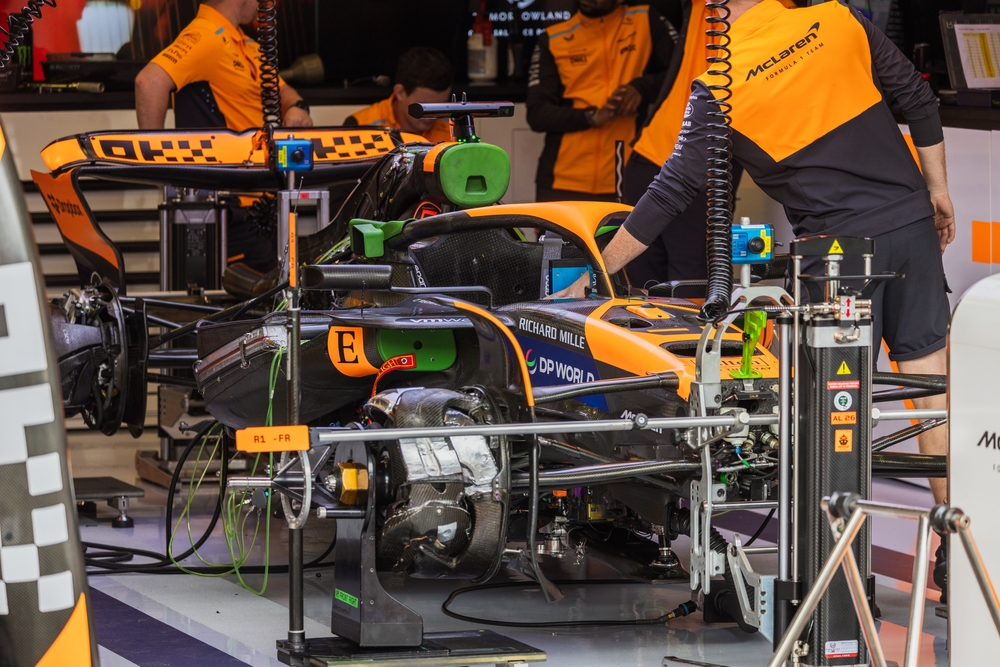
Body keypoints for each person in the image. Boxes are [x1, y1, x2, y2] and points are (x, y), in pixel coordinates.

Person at [553, 0, 954, 594]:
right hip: (912, 228)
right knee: (931, 389)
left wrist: (597, 272)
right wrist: (938, 192)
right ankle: (953, 548)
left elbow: (672, 191)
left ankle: (832, 573)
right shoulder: (840, 20)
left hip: (837, 256)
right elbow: (918, 100)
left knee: (828, 415)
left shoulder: (720, 82)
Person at [622, 0, 743, 289]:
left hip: (706, 170)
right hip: (650, 154)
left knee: (690, 289)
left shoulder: (782, 13)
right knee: (639, 290)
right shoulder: (704, 6)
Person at [526, 0, 676, 202]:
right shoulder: (554, 38)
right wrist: (593, 117)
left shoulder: (646, 20)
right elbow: (537, 114)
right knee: (554, 235)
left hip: (627, 173)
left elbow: (683, 74)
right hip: (563, 179)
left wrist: (641, 89)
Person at [134, 0, 313, 130]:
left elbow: (281, 89)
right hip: (228, 174)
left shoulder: (246, 42)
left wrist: (296, 107)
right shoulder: (207, 36)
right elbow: (148, 82)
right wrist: (155, 160)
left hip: (258, 169)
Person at [343, 47, 453, 143]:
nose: (432, 116)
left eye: (440, 106)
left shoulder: (453, 128)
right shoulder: (359, 127)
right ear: (400, 92)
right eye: (424, 106)